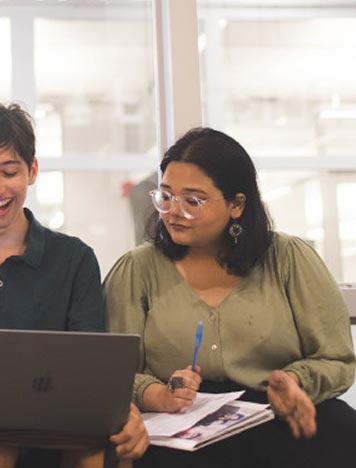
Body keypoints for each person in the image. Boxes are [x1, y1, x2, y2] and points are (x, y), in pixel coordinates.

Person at [0, 101, 149, 468]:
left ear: (32, 170)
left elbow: (87, 371)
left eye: (9, 171)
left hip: (55, 428)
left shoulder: (75, 259)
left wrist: (119, 409)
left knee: (98, 451)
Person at [105, 127, 356, 467]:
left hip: (274, 415)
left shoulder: (288, 258)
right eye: (166, 196)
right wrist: (158, 394)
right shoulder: (136, 269)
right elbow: (111, 373)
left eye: (192, 200)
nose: (173, 211)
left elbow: (336, 358)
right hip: (177, 425)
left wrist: (296, 381)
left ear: (237, 204)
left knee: (341, 428)